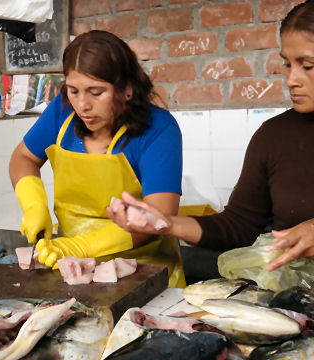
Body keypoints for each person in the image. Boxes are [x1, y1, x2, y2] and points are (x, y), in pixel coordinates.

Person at [108, 0, 314, 273]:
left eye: (307, 66)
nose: (291, 79)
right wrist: (168, 224)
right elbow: (239, 226)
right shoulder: (273, 136)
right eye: (287, 64)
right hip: (293, 301)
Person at [9, 30, 186, 287]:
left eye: (96, 92)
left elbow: (158, 216)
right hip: (72, 270)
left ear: (127, 89)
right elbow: (23, 157)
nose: (83, 105)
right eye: (74, 90)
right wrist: (34, 205)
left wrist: (80, 245)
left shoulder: (158, 128)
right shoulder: (62, 110)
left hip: (145, 273)